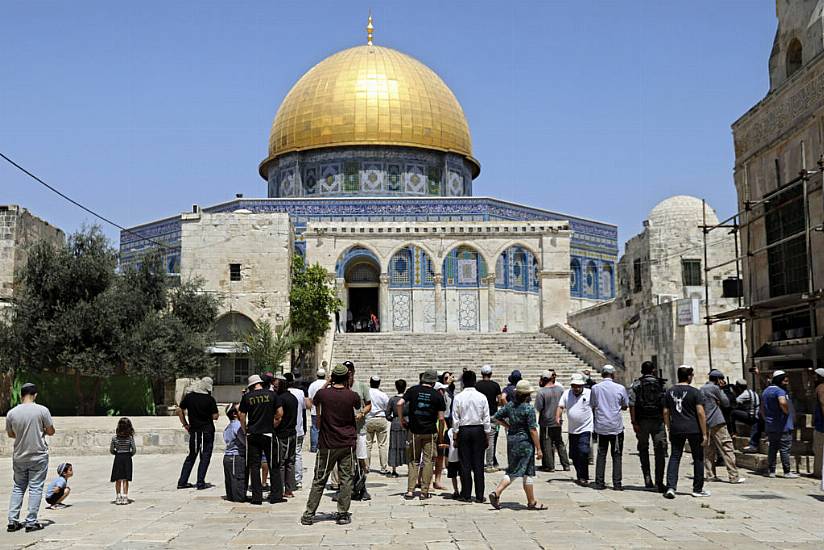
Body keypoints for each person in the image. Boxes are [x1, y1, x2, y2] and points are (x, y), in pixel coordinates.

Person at [301, 364, 361, 526]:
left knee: (319, 479)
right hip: (347, 442)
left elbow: (313, 402)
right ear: (347, 378)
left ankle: (309, 514)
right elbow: (358, 407)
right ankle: (342, 513)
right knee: (346, 479)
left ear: (332, 377)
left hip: (327, 443)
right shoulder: (352, 396)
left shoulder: (323, 394)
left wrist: (327, 382)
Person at [6, 382, 54, 532]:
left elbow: (10, 434)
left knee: (18, 487)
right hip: (38, 455)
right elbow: (51, 431)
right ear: (35, 395)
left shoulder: (12, 413)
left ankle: (13, 521)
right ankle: (31, 522)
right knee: (35, 488)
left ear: (21, 395)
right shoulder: (42, 410)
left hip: (19, 455)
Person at [489, 380, 545, 510]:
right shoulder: (528, 409)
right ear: (527, 395)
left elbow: (496, 417)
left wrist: (507, 425)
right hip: (525, 442)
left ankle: (529, 500)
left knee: (516, 470)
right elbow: (532, 429)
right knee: (525, 471)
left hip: (512, 440)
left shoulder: (509, 406)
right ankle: (499, 493)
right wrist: (539, 448)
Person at [397, 368, 446, 500]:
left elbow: (400, 403)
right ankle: (424, 491)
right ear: (434, 381)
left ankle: (410, 491)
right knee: (428, 461)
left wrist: (402, 419)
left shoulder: (413, 390)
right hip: (430, 432)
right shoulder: (437, 395)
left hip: (414, 431)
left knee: (413, 460)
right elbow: (441, 419)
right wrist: (441, 435)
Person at [663, 365, 710, 499]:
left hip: (676, 428)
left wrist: (669, 427)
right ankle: (697, 488)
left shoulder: (669, 391)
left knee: (675, 457)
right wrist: (705, 433)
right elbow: (700, 413)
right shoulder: (695, 392)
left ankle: (671, 487)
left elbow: (666, 412)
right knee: (698, 458)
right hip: (694, 428)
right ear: (689, 376)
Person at [239, 374, 284, 505]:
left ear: (251, 386)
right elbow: (280, 414)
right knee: (273, 465)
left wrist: (244, 429)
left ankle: (256, 497)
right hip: (268, 434)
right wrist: (273, 425)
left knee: (254, 466)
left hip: (253, 434)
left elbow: (242, 415)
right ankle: (276, 496)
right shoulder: (272, 395)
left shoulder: (247, 397)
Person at [451, 370, 491, 503]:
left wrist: (455, 435)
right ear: (475, 381)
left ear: (463, 382)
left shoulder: (458, 397)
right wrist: (487, 434)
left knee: (465, 463)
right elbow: (486, 418)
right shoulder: (482, 397)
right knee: (479, 463)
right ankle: (480, 495)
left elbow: (455, 418)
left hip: (464, 430)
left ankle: (466, 494)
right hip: (478, 430)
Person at [628, 361, 667, 491]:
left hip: (642, 421)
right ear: (653, 371)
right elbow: (665, 404)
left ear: (642, 371)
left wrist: (634, 422)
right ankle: (659, 481)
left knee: (643, 449)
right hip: (658, 421)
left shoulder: (637, 384)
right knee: (660, 450)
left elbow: (632, 404)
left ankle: (647, 477)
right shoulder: (660, 384)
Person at [700, 370, 744, 484]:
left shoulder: (702, 389)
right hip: (717, 421)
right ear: (719, 379)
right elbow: (726, 403)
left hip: (706, 422)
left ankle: (710, 475)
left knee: (709, 451)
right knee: (727, 448)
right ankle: (734, 476)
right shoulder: (715, 389)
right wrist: (722, 391)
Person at [590, 365, 628, 490]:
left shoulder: (595, 388)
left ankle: (599, 482)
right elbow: (625, 405)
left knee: (601, 454)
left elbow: (593, 405)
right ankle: (617, 484)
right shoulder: (620, 388)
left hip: (601, 425)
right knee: (616, 455)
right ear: (613, 374)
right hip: (615, 426)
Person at [176, 377, 219, 490]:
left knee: (191, 456)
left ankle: (182, 481)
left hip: (194, 431)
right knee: (205, 456)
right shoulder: (210, 399)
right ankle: (200, 482)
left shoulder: (189, 397)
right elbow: (215, 416)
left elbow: (179, 410)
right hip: (207, 431)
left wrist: (185, 424)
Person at [556, 374, 593, 486]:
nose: (576, 388)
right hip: (572, 429)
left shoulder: (590, 393)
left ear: (582, 385)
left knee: (583, 451)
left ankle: (583, 477)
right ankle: (580, 474)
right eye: (574, 386)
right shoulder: (567, 393)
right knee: (573, 454)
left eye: (578, 386)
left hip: (586, 428)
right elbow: (560, 406)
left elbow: (596, 406)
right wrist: (558, 417)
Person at [762, 370, 799, 478]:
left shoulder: (765, 391)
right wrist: (787, 412)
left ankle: (771, 471)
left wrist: (767, 419)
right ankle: (787, 471)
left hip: (771, 425)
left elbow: (762, 409)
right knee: (784, 449)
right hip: (783, 425)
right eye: (785, 381)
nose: (786, 383)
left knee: (772, 448)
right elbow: (782, 402)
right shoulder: (780, 391)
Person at [344, 361, 372, 501]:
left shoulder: (361, 386)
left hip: (359, 429)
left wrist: (361, 413)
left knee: (361, 459)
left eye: (350, 371)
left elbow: (368, 405)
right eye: (346, 370)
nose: (349, 373)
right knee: (346, 461)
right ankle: (346, 489)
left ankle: (362, 487)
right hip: (343, 430)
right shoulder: (339, 387)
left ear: (353, 372)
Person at [535, 370, 569, 472]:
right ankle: (566, 464)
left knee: (546, 443)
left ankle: (549, 465)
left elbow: (538, 407)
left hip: (546, 421)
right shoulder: (560, 389)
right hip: (558, 420)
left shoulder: (541, 392)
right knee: (559, 442)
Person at [274, 375, 299, 499]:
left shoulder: (280, 399)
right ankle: (289, 489)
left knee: (281, 462)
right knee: (290, 462)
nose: (274, 388)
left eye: (276, 386)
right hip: (292, 433)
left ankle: (280, 489)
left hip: (282, 434)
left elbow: (279, 416)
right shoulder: (293, 398)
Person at [476, 365, 504, 472]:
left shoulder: (477, 385)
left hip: (480, 415)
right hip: (492, 415)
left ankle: (477, 463)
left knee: (478, 440)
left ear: (482, 374)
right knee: (491, 440)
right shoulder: (495, 385)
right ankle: (489, 465)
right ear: (491, 374)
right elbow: (500, 399)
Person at [285, 372, 309, 490]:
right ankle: (298, 480)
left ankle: (287, 480)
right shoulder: (300, 393)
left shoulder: (281, 394)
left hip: (285, 430)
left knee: (285, 456)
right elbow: (307, 407)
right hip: (298, 429)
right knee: (297, 454)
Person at [222, 404, 247, 502]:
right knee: (238, 479)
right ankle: (239, 498)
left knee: (230, 480)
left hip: (228, 457)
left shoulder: (229, 426)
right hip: (235, 457)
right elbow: (244, 441)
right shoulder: (237, 426)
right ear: (234, 414)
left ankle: (233, 497)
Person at [365, 375, 390, 474]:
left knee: (368, 444)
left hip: (369, 419)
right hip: (380, 418)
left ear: (370, 382)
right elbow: (387, 407)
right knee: (382, 445)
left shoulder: (366, 393)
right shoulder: (383, 395)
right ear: (379, 383)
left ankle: (366, 466)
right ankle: (383, 467)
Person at [110, 417, 136, 505]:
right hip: (127, 458)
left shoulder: (114, 438)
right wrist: (129, 454)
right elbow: (134, 449)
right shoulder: (130, 438)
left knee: (118, 479)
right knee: (125, 479)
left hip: (118, 457)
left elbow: (111, 450)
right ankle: (125, 496)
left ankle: (118, 496)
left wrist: (116, 453)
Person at [731, 379, 761, 451]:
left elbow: (734, 404)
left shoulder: (745, 394)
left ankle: (734, 432)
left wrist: (733, 394)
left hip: (752, 417)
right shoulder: (752, 392)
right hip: (756, 416)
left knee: (732, 413)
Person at [386, 379, 408, 478]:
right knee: (407, 446)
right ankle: (409, 468)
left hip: (395, 423)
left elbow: (387, 414)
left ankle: (394, 470)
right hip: (406, 423)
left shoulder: (392, 399)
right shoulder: (407, 399)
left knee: (394, 445)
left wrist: (393, 419)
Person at [307, 368, 327, 453]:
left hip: (315, 410)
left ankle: (314, 447)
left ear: (317, 375)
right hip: (326, 410)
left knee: (315, 428)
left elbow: (310, 398)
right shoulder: (327, 384)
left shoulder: (312, 385)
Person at [814, 368, 824, 480]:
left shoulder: (821, 388)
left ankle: (819, 472)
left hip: (821, 425)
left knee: (819, 449)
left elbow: (822, 403)